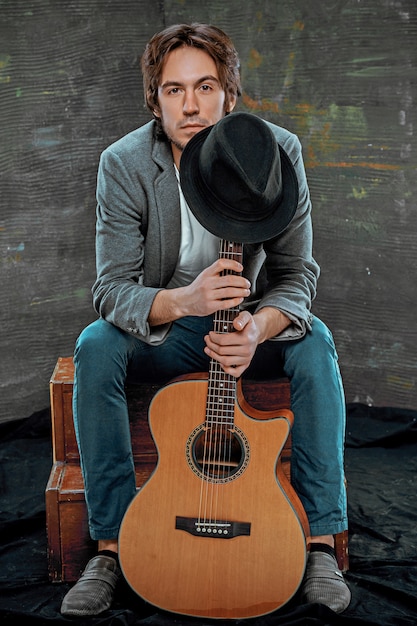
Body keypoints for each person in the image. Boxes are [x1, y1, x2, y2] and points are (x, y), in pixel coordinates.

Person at [61, 22, 351, 617]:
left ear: (230, 95)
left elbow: (299, 275)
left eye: (205, 86)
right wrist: (184, 302)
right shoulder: (123, 164)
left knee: (316, 344)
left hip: (248, 328)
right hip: (171, 326)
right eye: (173, 90)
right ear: (155, 99)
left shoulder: (279, 152)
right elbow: (111, 290)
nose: (190, 105)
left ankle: (320, 543)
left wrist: (260, 327)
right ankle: (112, 546)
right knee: (95, 346)